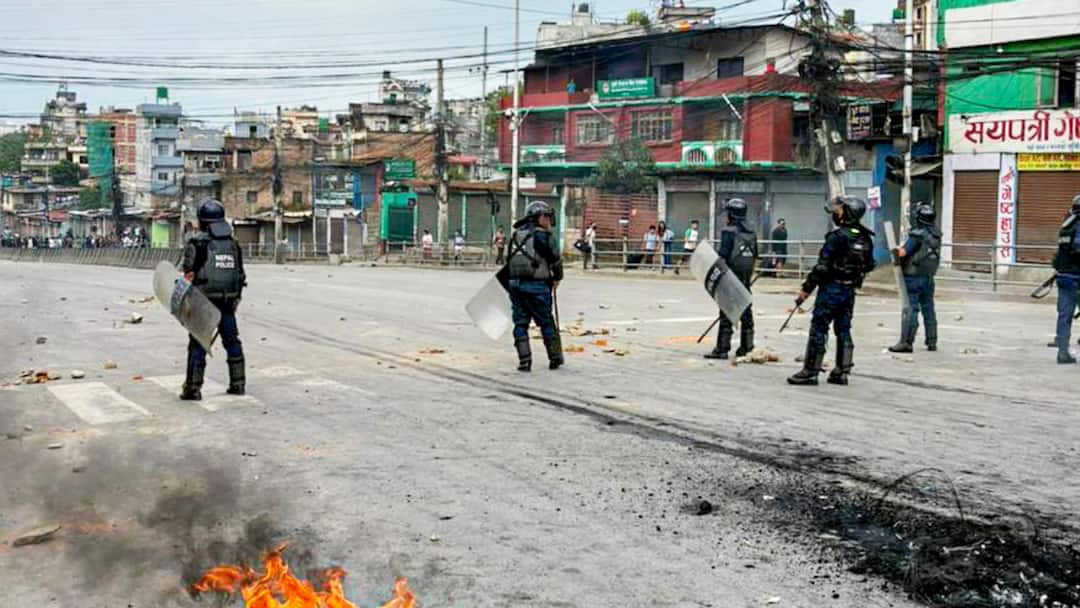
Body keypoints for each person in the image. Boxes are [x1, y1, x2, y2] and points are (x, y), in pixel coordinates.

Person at [788, 196, 875, 386]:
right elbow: (869, 265)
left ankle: (810, 371)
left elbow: (822, 267)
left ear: (847, 213)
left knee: (819, 327)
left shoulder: (837, 237)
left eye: (840, 210)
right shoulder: (865, 238)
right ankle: (841, 372)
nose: (836, 212)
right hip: (849, 290)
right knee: (843, 328)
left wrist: (806, 289)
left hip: (831, 288)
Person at [180, 199, 247, 401]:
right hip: (228, 302)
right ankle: (238, 384)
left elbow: (188, 273)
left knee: (198, 344)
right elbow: (240, 275)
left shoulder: (197, 243)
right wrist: (236, 298)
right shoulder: (233, 245)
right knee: (232, 342)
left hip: (204, 302)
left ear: (203, 221)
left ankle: (193, 388)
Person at [507, 200, 564, 372]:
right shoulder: (544, 236)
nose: (548, 220)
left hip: (515, 285)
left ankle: (524, 361)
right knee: (546, 322)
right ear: (537, 217)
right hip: (537, 286)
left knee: (520, 323)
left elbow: (508, 261)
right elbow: (555, 261)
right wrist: (557, 278)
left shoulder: (516, 235)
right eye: (545, 216)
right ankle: (555, 357)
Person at [704, 199, 757, 360]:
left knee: (726, 312)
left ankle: (722, 349)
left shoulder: (728, 231)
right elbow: (755, 256)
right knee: (746, 312)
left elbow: (723, 257)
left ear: (732, 215)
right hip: (745, 278)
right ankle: (747, 347)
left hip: (730, 276)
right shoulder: (751, 233)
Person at [889, 203, 941, 354]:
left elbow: (903, 253)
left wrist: (894, 249)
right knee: (928, 308)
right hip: (928, 277)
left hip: (913, 277)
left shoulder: (917, 235)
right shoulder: (937, 234)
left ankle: (906, 342)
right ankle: (932, 341)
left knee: (911, 309)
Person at [1052, 195, 1080, 364]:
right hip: (1076, 276)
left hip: (1064, 276)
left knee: (1065, 315)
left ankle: (1062, 352)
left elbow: (1060, 252)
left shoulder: (1066, 225)